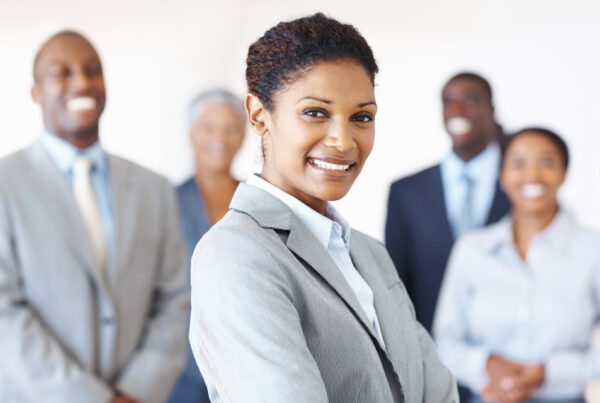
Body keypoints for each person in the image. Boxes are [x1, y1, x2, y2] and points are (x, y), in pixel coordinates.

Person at [188, 13, 458, 403]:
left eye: (361, 117)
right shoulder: (234, 254)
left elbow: (439, 391)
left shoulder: (370, 254)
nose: (343, 140)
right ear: (259, 115)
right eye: (315, 112)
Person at [0, 31, 189, 403]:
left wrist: (135, 392)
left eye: (92, 70)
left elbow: (176, 299)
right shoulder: (6, 184)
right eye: (62, 72)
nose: (82, 82)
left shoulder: (155, 189)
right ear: (36, 91)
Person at [434, 128, 599, 403]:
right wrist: (487, 365)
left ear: (564, 173)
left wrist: (549, 373)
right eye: (519, 163)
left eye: (546, 162)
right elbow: (445, 341)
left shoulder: (592, 249)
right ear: (502, 175)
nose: (532, 175)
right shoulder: (471, 250)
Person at [385, 72, 510, 333]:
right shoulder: (406, 192)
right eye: (448, 101)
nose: (457, 109)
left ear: (491, 110)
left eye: (470, 99)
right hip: (431, 348)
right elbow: (396, 282)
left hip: (508, 352)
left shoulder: (520, 187)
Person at [169, 89, 245, 403]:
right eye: (208, 127)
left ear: (243, 134)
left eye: (230, 127)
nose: (220, 137)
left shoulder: (258, 201)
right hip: (183, 367)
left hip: (243, 356)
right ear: (191, 135)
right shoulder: (168, 202)